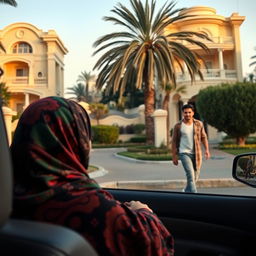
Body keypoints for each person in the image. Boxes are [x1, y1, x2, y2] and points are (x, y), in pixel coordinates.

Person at [10, 96, 174, 256]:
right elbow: (155, 247)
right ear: (73, 140)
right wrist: (145, 213)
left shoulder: (8, 198)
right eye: (83, 134)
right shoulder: (92, 207)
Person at [171, 104, 210, 193]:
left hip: (197, 153)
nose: (187, 114)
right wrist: (174, 155)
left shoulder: (199, 124)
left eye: (189, 112)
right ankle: (194, 196)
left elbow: (204, 137)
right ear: (183, 113)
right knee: (190, 175)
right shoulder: (178, 126)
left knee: (195, 176)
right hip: (184, 153)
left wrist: (207, 150)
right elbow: (174, 141)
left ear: (193, 113)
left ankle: (186, 191)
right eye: (185, 113)